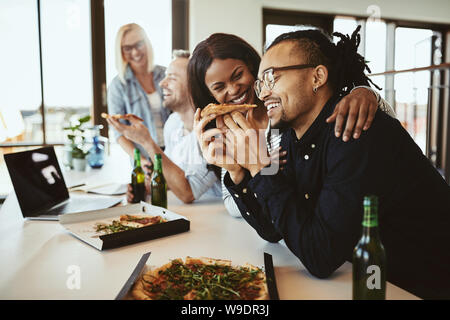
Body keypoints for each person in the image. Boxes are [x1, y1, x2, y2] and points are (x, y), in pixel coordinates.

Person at [209, 27, 450, 299]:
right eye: (260, 84)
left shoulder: (356, 130)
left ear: (318, 76)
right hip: (358, 280)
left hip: (418, 286)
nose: (263, 94)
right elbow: (271, 229)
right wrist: (238, 172)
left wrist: (260, 168)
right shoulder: (284, 136)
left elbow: (320, 258)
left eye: (270, 77)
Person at [188, 33, 395, 218]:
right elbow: (236, 209)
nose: (233, 90)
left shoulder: (292, 113)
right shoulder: (231, 131)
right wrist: (245, 169)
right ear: (210, 96)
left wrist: (365, 91)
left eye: (238, 75)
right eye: (219, 87)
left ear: (252, 67)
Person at [107, 50, 221, 204]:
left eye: (172, 78)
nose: (162, 83)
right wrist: (148, 186)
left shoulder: (213, 130)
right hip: (193, 213)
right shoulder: (173, 123)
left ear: (194, 86)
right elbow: (170, 175)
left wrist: (147, 142)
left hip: (217, 216)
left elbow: (187, 193)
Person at [107, 23, 171, 166]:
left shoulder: (165, 74)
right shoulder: (118, 86)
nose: (135, 53)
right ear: (121, 52)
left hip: (173, 153)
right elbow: (119, 133)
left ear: (147, 43)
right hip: (145, 158)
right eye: (128, 48)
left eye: (139, 44)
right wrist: (139, 160)